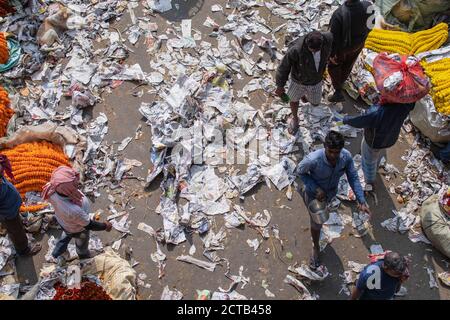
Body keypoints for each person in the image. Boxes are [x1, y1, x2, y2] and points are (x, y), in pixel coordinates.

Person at [297, 131, 370, 268]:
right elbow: (300, 172)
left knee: (319, 216)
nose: (333, 156)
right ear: (324, 146)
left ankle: (305, 197)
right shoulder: (312, 160)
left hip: (330, 194)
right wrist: (315, 188)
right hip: (315, 195)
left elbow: (353, 177)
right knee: (316, 223)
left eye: (337, 152)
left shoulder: (346, 157)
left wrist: (361, 200)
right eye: (330, 151)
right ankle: (316, 247)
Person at [337, 101, 416, 190]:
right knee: (375, 154)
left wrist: (346, 119)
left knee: (369, 161)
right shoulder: (407, 104)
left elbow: (360, 121)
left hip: (374, 141)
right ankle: (375, 164)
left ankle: (370, 181)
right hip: (390, 137)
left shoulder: (377, 111)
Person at [42, 166, 112, 264]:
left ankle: (57, 252)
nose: (78, 184)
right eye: (74, 185)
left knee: (66, 235)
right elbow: (89, 225)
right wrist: (105, 226)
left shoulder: (52, 189)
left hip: (64, 222)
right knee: (81, 242)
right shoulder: (74, 211)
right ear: (68, 190)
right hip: (78, 228)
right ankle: (83, 255)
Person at [275, 30, 333, 134]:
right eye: (312, 50)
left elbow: (334, 47)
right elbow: (283, 67)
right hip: (299, 81)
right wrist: (280, 86)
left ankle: (304, 96)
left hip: (316, 81)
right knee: (292, 100)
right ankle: (295, 118)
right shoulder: (296, 50)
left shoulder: (328, 39)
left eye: (317, 50)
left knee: (315, 102)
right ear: (306, 43)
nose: (314, 52)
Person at [328, 0, 373, 103]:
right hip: (359, 44)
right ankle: (342, 80)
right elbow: (370, 26)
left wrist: (331, 55)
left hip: (343, 50)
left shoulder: (338, 15)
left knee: (334, 67)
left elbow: (334, 40)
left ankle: (338, 91)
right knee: (348, 65)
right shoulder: (368, 6)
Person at [0, 154, 42, 256]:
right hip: (7, 213)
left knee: (16, 226)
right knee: (16, 231)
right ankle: (23, 250)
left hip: (11, 207)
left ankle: (18, 233)